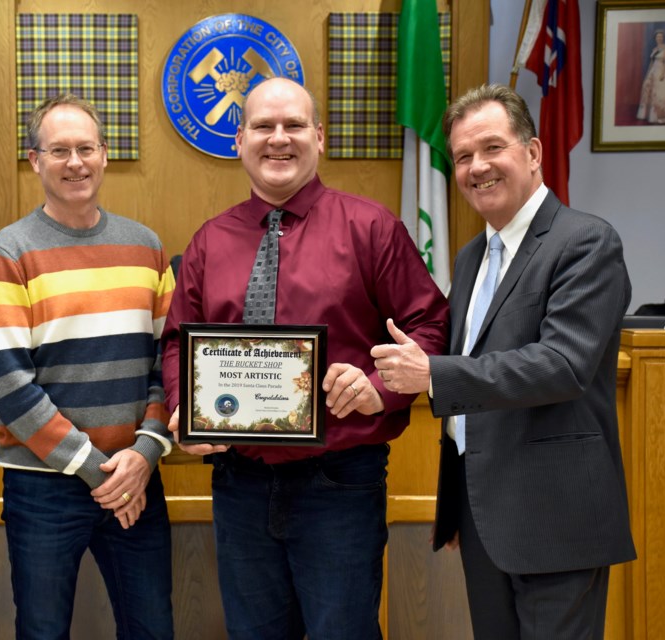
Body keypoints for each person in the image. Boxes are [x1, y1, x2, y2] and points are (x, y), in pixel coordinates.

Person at [160, 77, 449, 639]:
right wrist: (181, 408)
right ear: (239, 139)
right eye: (264, 127)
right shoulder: (208, 242)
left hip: (338, 483)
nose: (279, 139)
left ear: (319, 137)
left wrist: (379, 387)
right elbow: (177, 341)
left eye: (293, 125)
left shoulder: (372, 228)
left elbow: (429, 323)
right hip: (238, 484)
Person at [371, 84, 635, 639]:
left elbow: (561, 364)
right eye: (463, 156)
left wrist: (432, 374)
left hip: (554, 515)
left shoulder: (585, 242)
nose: (476, 167)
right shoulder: (471, 257)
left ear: (534, 153)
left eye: (492, 148)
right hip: (484, 513)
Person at [0, 94, 176, 640]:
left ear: (105, 155)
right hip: (45, 488)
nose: (75, 162)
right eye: (58, 150)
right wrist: (98, 471)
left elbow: (170, 364)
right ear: (35, 160)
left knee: (153, 629)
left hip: (137, 475)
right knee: (42, 632)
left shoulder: (147, 247)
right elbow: (9, 385)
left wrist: (145, 452)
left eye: (86, 148)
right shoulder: (8, 254)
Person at [637, 29, 665, 124]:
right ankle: (648, 114)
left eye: (661, 36)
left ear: (663, 38)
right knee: (647, 90)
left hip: (661, 71)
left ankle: (659, 115)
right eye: (658, 36)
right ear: (655, 38)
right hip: (652, 71)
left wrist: (663, 74)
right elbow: (651, 62)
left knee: (658, 92)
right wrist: (648, 73)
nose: (659, 38)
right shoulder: (654, 49)